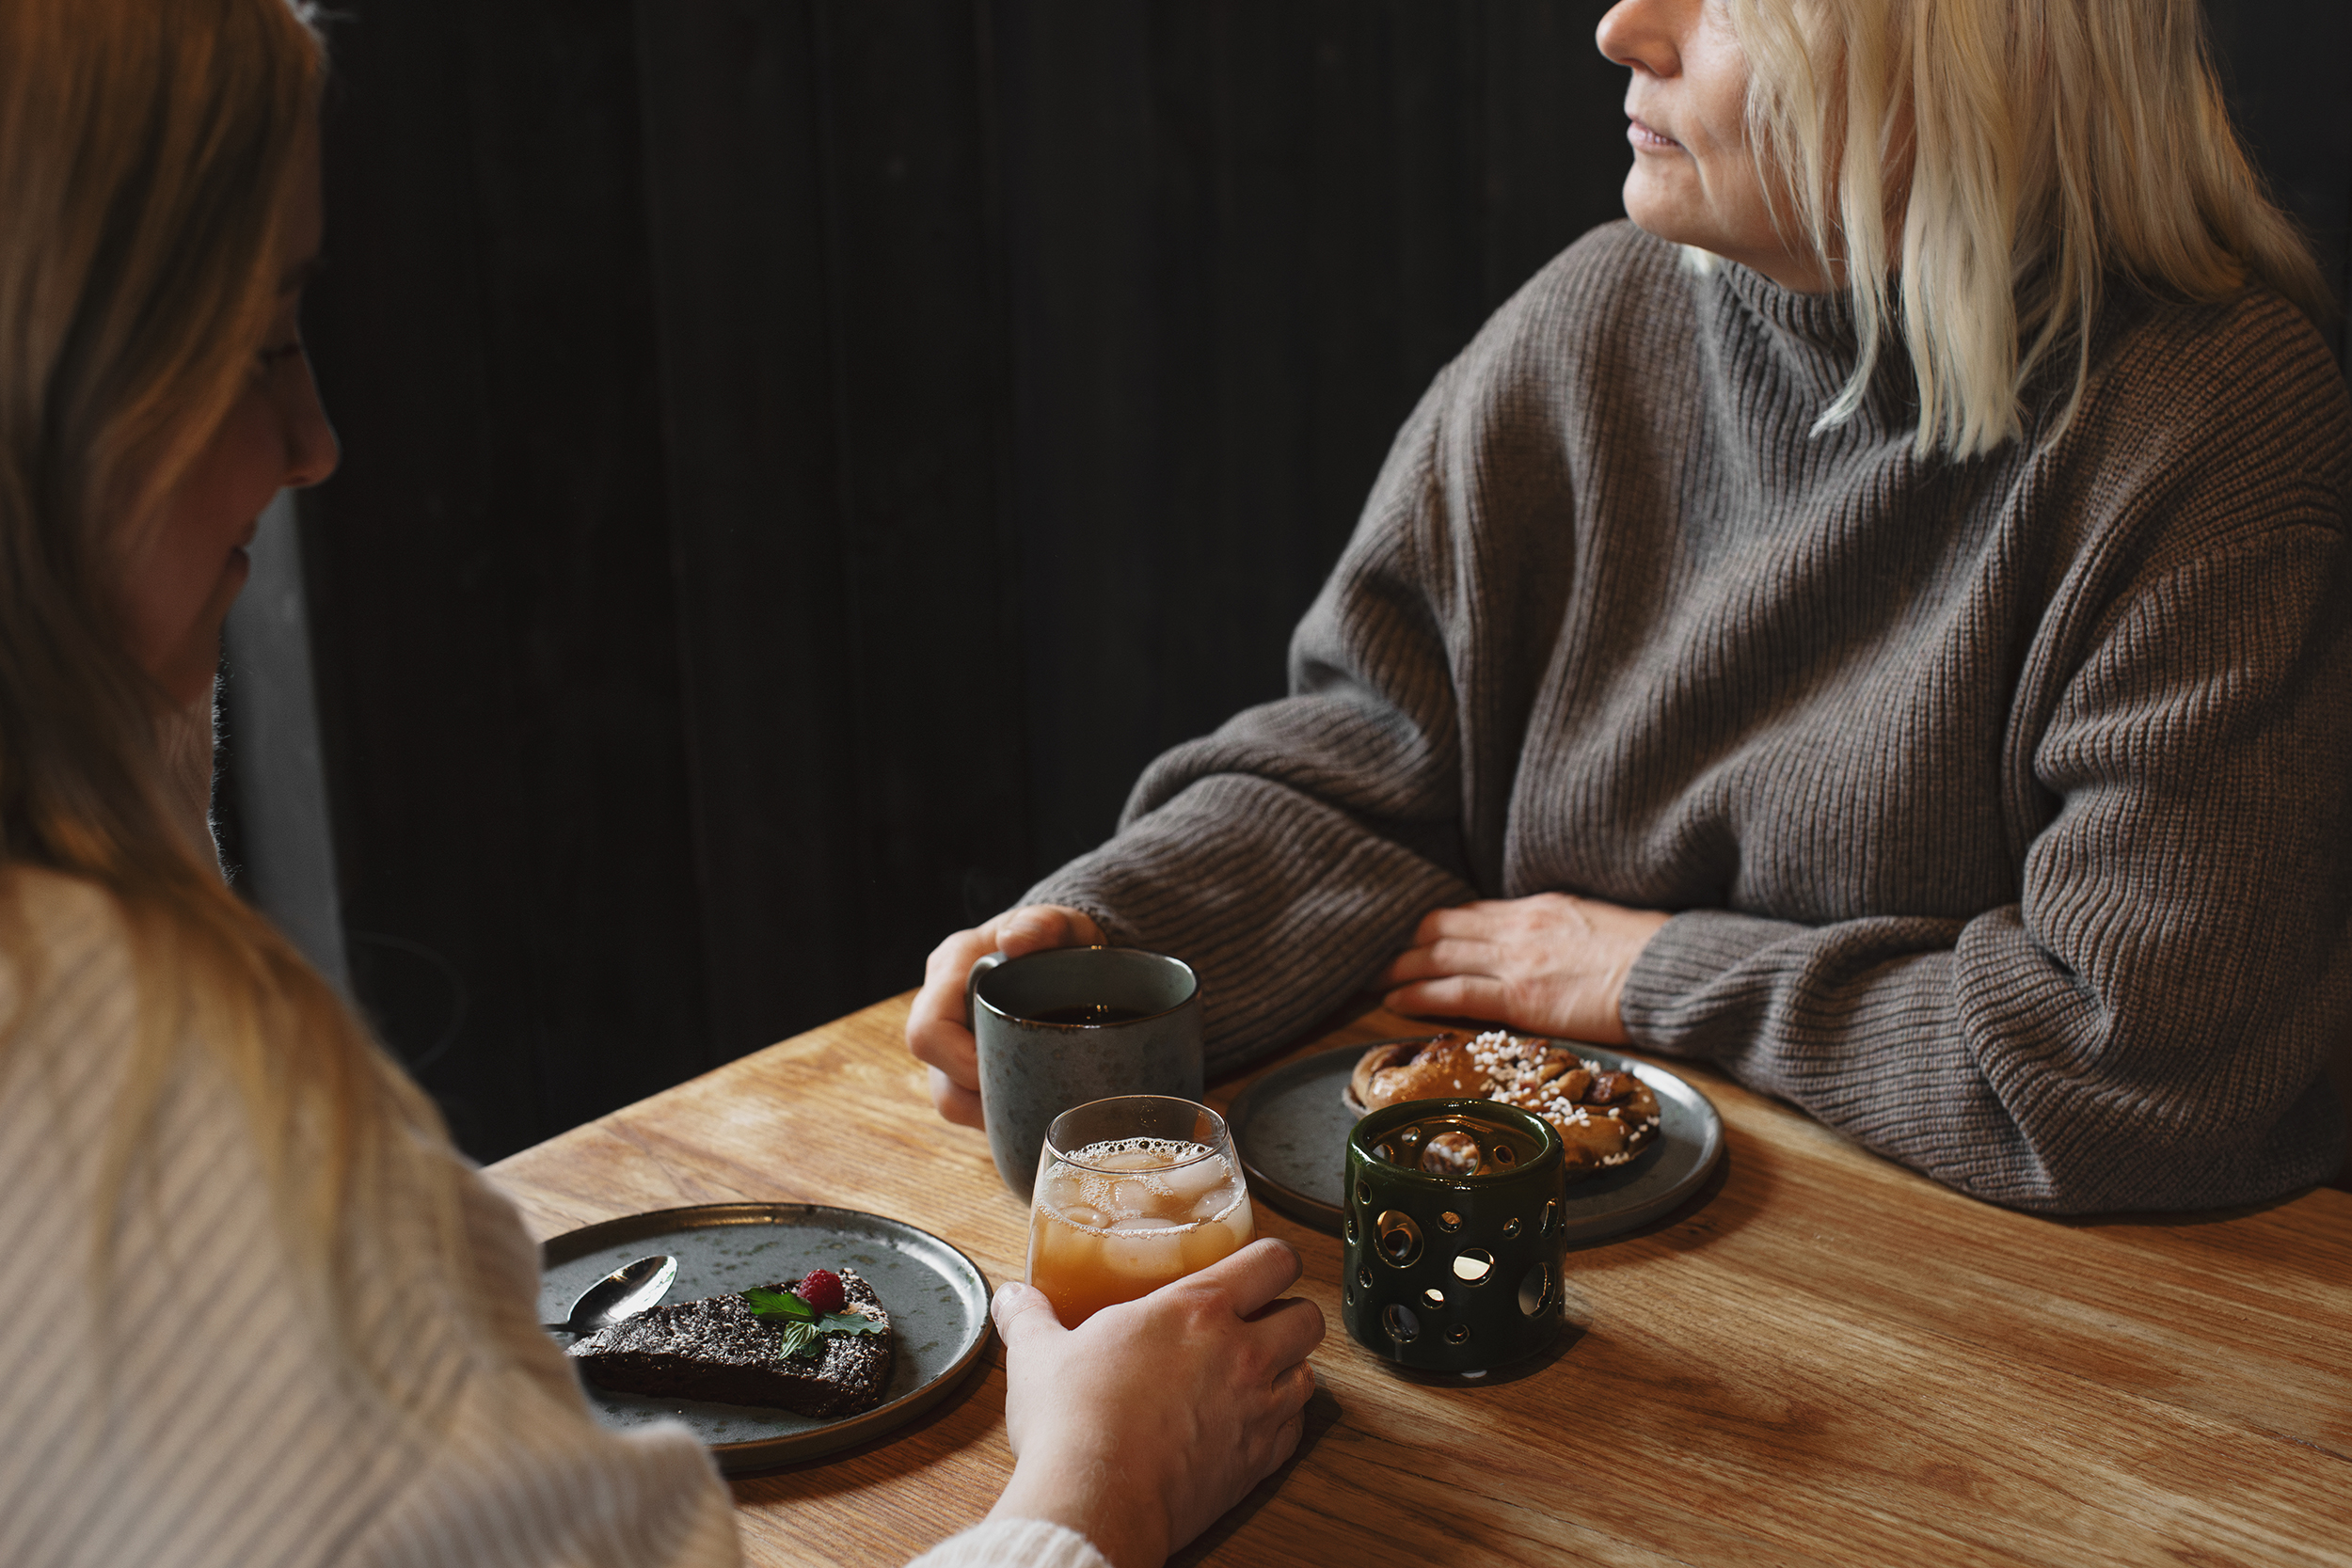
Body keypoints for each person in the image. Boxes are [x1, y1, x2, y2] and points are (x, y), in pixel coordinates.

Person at [0, 3, 1319, 1565]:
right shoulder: (131, 1082)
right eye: (267, 336)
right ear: (63, 378)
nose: (317, 443)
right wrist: (1095, 1494)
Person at [911, 0, 2352, 1213]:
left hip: (2022, 1354)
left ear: (1966, 56)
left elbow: (2141, 1063)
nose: (1621, 26)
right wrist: (1104, 953)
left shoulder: (2215, 430)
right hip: (1596, 1290)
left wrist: (1660, 974)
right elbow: (1378, 772)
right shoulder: (1593, 325)